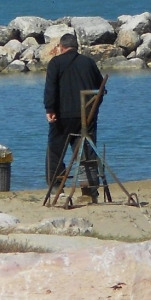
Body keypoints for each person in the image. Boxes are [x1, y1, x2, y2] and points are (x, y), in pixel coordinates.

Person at [44, 33, 104, 202]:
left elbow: (50, 89)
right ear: (77, 47)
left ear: (61, 47)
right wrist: (94, 109)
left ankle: (57, 187)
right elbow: (100, 90)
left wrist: (50, 109)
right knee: (87, 152)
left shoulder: (55, 63)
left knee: (55, 150)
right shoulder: (88, 63)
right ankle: (89, 189)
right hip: (86, 115)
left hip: (62, 116)